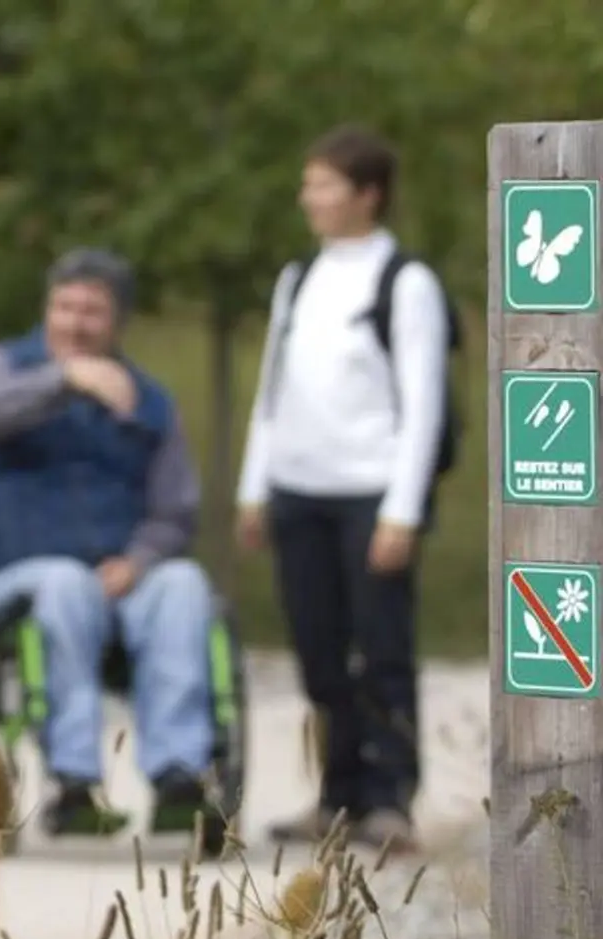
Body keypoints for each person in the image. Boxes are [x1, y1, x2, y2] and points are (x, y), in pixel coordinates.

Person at [234, 124, 452, 854]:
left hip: (370, 491)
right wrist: (253, 486)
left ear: (368, 194)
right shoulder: (299, 278)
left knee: (381, 645)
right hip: (300, 490)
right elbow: (273, 386)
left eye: (324, 185)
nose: (310, 198)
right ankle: (337, 794)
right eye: (309, 185)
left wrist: (402, 508)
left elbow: (421, 401)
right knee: (319, 651)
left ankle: (390, 797)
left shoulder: (405, 281)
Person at [0, 247, 216, 839]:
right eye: (63, 306)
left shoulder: (150, 402)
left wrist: (138, 561)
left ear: (118, 322)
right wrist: (63, 380)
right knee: (66, 584)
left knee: (183, 583)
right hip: (22, 572)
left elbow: (175, 510)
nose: (73, 322)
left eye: (91, 312)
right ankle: (73, 782)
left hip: (121, 575)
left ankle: (180, 774)